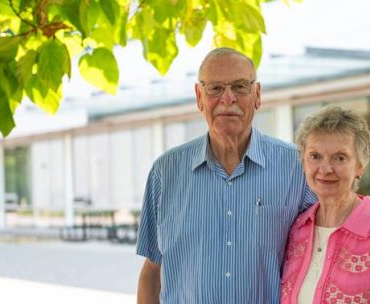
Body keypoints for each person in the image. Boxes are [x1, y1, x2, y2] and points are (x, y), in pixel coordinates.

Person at [135, 47, 315, 303]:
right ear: (199, 96)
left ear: (257, 95)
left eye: (240, 87)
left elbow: (322, 261)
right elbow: (152, 272)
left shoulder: (297, 167)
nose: (227, 98)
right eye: (215, 88)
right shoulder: (165, 172)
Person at [280, 105, 370, 304]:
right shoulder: (297, 229)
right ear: (303, 162)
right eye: (315, 156)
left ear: (360, 166)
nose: (325, 169)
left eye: (339, 158)